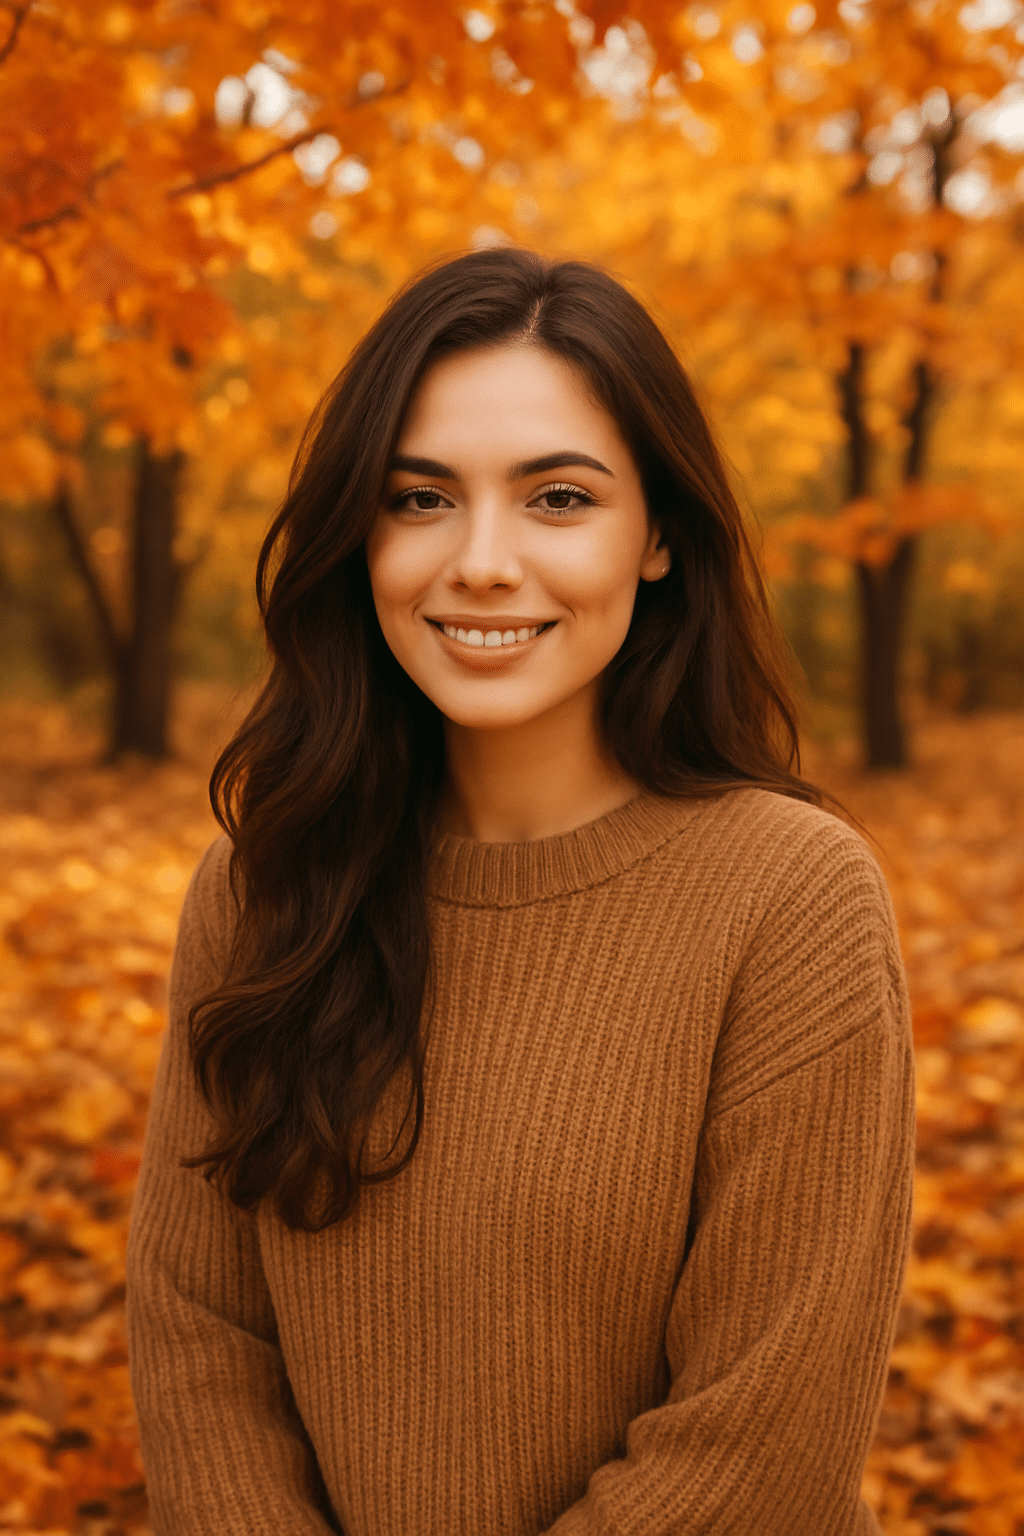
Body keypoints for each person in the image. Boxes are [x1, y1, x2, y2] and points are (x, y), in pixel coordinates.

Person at [125, 248, 915, 1536]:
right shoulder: (266, 884)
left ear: (659, 536)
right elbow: (198, 1335)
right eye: (420, 498)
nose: (481, 562)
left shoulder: (790, 900)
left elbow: (762, 1448)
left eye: (558, 498)